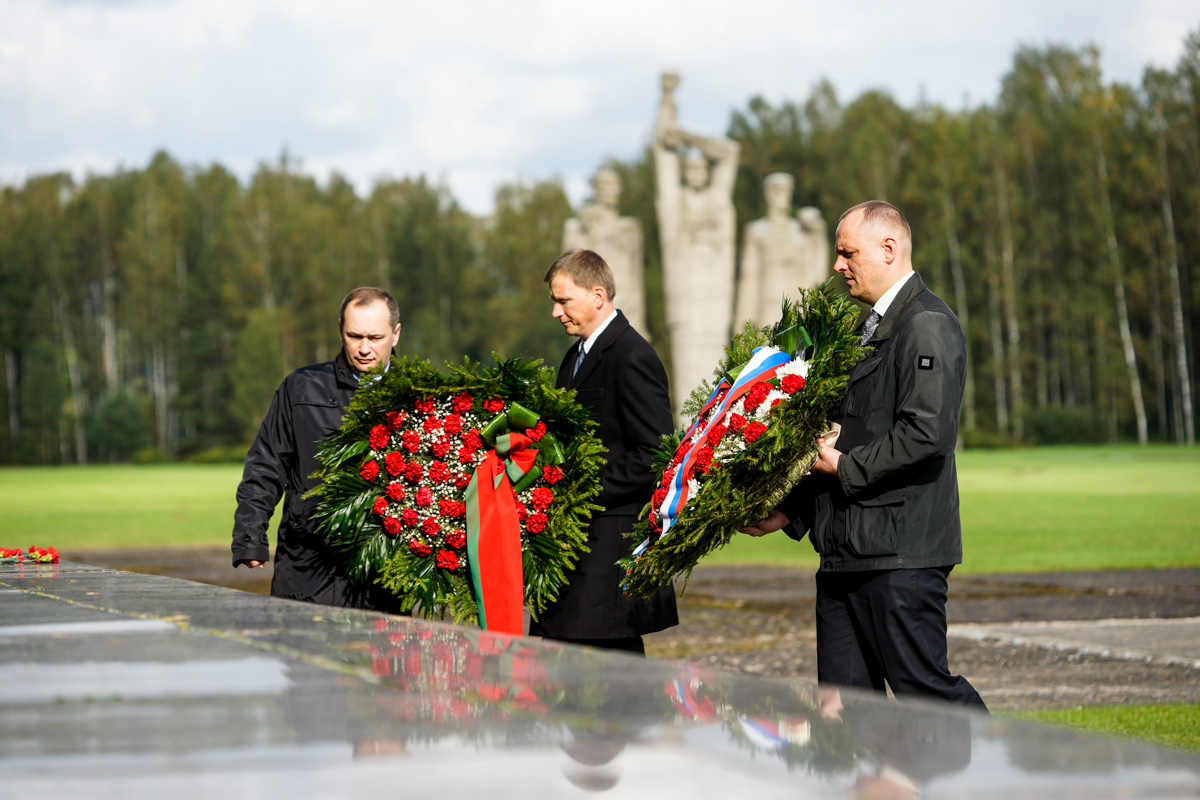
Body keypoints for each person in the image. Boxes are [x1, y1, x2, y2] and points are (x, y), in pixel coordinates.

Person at [741, 201, 987, 710]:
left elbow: (927, 433)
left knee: (928, 698)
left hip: (900, 555)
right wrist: (792, 511)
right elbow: (839, 436)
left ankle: (990, 779)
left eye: (847, 253)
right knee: (846, 710)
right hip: (844, 555)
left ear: (889, 249)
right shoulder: (862, 331)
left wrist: (847, 468)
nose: (837, 265)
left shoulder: (927, 325)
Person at [531, 249, 678, 654]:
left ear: (598, 295)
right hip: (580, 557)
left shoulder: (633, 356)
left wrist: (576, 494)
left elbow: (654, 454)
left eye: (564, 301)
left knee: (613, 696)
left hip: (609, 562)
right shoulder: (575, 355)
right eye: (554, 302)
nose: (556, 312)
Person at [231, 287, 404, 609]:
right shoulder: (300, 387)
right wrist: (249, 538)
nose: (364, 348)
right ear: (340, 329)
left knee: (381, 660)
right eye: (354, 336)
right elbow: (266, 465)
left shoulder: (419, 396)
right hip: (307, 563)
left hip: (388, 571)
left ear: (395, 334)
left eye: (375, 338)